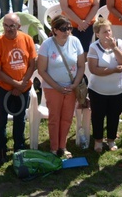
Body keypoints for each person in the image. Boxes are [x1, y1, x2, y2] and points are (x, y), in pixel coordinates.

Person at [0, 13, 37, 161]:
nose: (8, 29)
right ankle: (1, 148)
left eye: (12, 26)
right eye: (6, 25)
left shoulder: (27, 39)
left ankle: (19, 147)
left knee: (20, 117)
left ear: (19, 26)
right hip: (4, 88)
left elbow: (32, 63)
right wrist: (16, 84)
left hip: (24, 86)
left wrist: (22, 83)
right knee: (2, 118)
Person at [37, 14, 86, 158]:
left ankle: (62, 147)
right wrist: (57, 87)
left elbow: (81, 66)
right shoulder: (47, 45)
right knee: (54, 117)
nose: (67, 32)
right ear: (55, 30)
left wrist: (75, 84)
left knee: (67, 117)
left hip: (71, 87)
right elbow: (42, 70)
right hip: (53, 87)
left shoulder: (75, 41)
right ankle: (54, 147)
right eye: (63, 29)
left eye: (69, 28)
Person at [86, 18, 122, 153]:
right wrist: (113, 70)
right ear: (97, 34)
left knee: (114, 115)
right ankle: (98, 140)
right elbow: (94, 69)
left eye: (109, 30)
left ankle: (111, 139)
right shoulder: (94, 47)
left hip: (118, 89)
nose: (108, 34)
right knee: (97, 116)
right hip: (98, 90)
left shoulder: (119, 43)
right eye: (104, 32)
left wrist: (114, 48)